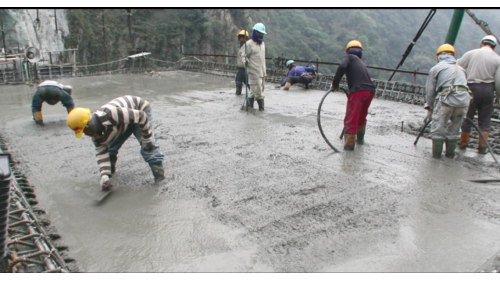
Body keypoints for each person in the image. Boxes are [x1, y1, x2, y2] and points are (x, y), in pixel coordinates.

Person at [66, 95, 165, 191]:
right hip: (122, 121)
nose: (84, 134)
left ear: (89, 125)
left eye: (84, 131)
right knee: (110, 150)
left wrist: (147, 140)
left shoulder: (110, 114)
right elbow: (101, 152)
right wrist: (104, 175)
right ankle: (111, 175)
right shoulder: (96, 136)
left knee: (148, 148)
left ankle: (160, 180)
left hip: (139, 111)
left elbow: (141, 116)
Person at [424, 43, 471, 159]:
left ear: (439, 56)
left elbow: (430, 91)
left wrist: (429, 109)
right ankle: (450, 156)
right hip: (464, 101)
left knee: (438, 128)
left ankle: (436, 157)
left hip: (447, 100)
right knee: (455, 129)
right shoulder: (461, 69)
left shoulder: (436, 69)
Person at [457, 35, 500, 154]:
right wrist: (498, 97)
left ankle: (463, 143)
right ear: (494, 46)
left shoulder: (471, 53)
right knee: (485, 120)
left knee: (467, 117)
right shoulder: (497, 59)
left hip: (471, 88)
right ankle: (482, 148)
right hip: (488, 91)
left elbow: (457, 67)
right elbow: (499, 82)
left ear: (481, 43)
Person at [330, 40, 375, 151]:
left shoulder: (348, 57)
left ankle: (349, 145)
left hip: (358, 91)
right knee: (361, 116)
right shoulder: (361, 62)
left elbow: (342, 66)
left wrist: (335, 84)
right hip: (369, 91)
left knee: (351, 117)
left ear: (348, 50)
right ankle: (360, 140)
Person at [240, 22, 266, 111]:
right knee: (259, 93)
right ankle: (261, 111)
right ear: (255, 32)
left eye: (262, 33)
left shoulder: (262, 44)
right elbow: (243, 56)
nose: (260, 35)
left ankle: (249, 109)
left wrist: (264, 72)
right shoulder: (249, 44)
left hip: (261, 72)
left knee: (252, 92)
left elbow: (263, 59)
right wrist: (245, 61)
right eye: (259, 33)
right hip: (253, 72)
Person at [235, 30, 250, 95]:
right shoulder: (241, 47)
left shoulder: (247, 47)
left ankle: (254, 95)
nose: (241, 39)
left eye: (243, 38)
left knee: (243, 82)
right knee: (241, 82)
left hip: (244, 68)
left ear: (246, 39)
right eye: (240, 38)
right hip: (240, 68)